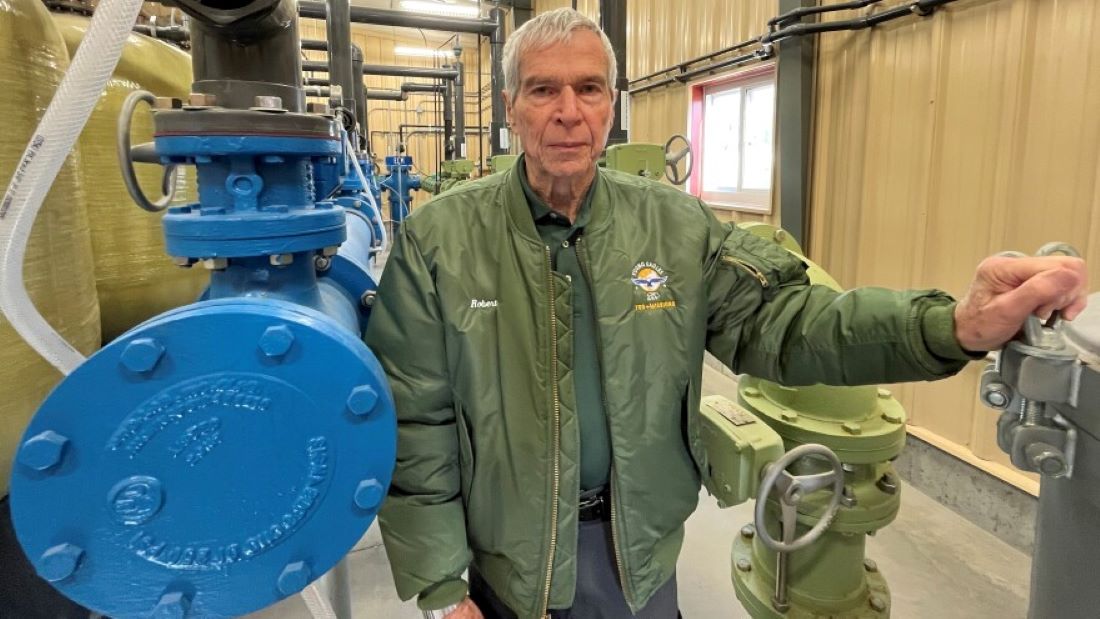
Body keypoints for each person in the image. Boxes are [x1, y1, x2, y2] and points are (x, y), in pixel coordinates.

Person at [364, 8, 1088, 619]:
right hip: (505, 562)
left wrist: (951, 325)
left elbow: (791, 324)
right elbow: (417, 417)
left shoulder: (676, 228)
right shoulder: (442, 240)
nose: (567, 111)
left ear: (613, 105)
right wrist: (441, 582)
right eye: (543, 89)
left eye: (589, 88)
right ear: (511, 106)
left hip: (637, 555)